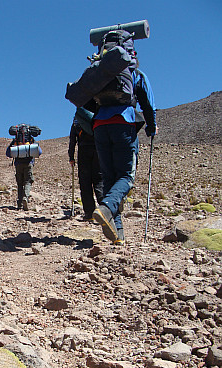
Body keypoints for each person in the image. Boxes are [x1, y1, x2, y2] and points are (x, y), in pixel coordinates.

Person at [92, 32, 157, 245]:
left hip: (99, 126)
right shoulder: (135, 73)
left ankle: (117, 232)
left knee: (110, 179)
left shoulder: (100, 72)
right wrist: (151, 128)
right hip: (123, 122)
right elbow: (148, 103)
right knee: (126, 178)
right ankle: (106, 209)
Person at [68, 114, 103, 220]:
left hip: (83, 151)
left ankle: (89, 213)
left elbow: (72, 140)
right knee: (99, 181)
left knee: (85, 183)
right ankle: (104, 211)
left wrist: (71, 157)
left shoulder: (77, 120)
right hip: (98, 150)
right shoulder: (96, 115)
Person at [6, 132, 42, 211]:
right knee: (28, 181)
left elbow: (8, 153)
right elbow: (39, 152)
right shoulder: (31, 140)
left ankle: (19, 204)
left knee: (19, 183)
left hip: (18, 164)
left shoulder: (15, 141)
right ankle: (25, 198)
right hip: (28, 163)